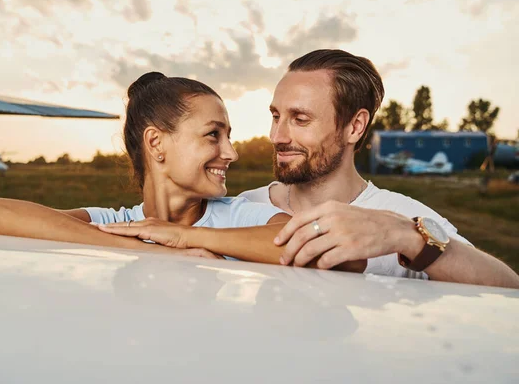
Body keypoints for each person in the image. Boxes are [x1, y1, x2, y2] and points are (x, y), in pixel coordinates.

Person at [105, 50, 519, 289]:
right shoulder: (242, 208)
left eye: (300, 119)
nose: (276, 135)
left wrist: (404, 237)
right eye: (275, 115)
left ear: (354, 126)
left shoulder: (398, 215)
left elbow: (507, 290)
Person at [0, 72, 295, 264]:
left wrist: (183, 236)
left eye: (228, 136)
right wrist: (147, 251)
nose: (231, 153)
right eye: (213, 134)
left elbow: (301, 240)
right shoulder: (116, 225)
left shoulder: (239, 217)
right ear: (156, 144)